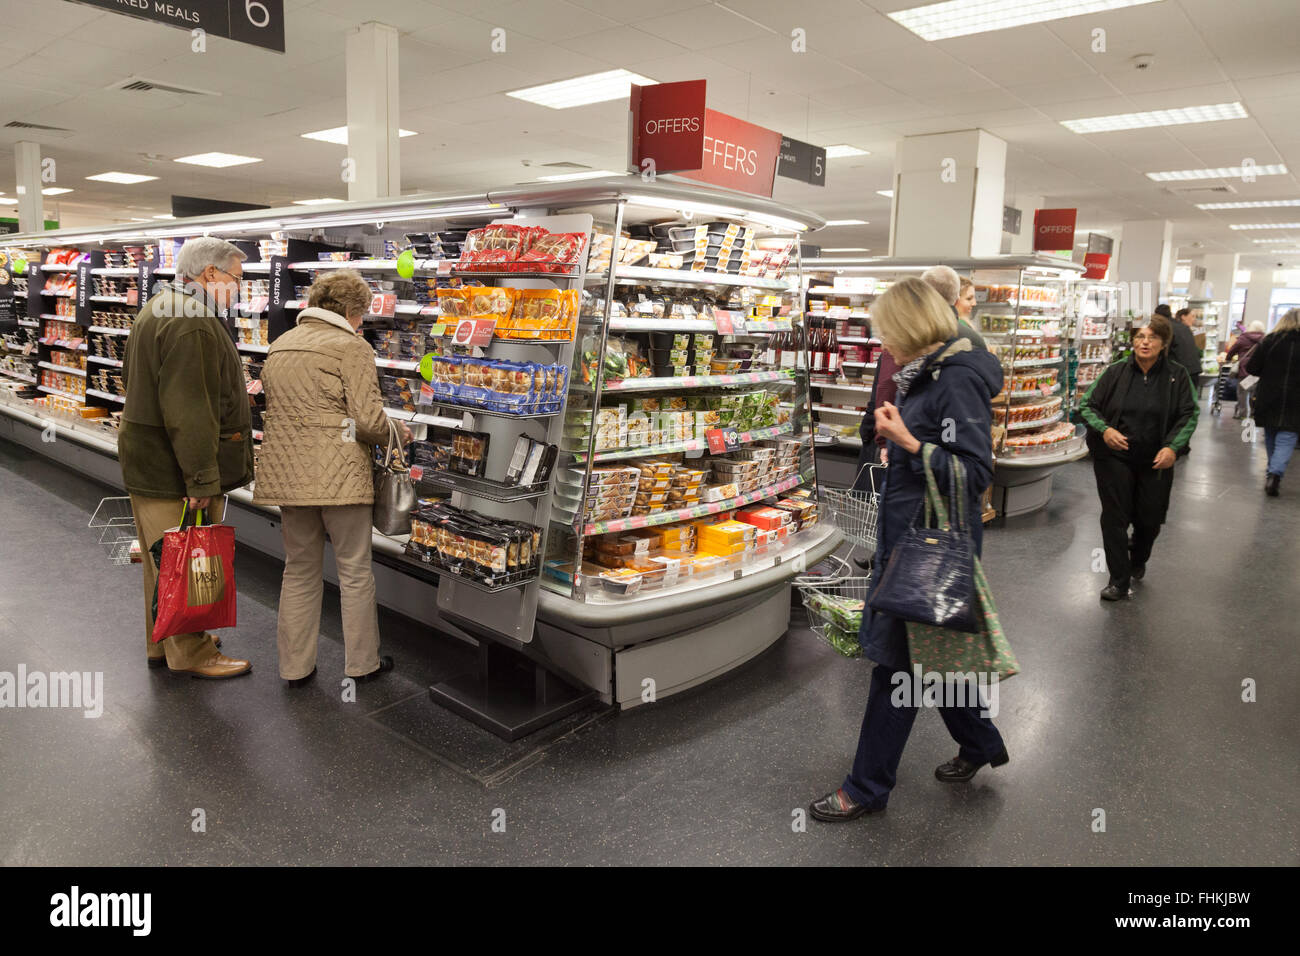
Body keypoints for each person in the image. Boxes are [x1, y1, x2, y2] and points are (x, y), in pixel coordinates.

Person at [810, 277, 1007, 822]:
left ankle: (866, 788)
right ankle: (981, 744)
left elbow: (974, 473)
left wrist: (910, 444)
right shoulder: (926, 371)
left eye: (886, 333)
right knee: (934, 662)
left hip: (930, 548)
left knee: (896, 668)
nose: (882, 346)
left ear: (911, 328)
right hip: (909, 539)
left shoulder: (957, 379)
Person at [253, 270, 409, 686]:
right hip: (340, 477)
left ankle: (295, 667)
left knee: (299, 569)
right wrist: (398, 431)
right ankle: (362, 664)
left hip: (290, 474)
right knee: (355, 571)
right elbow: (368, 421)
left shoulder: (280, 345)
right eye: (363, 314)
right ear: (352, 310)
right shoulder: (349, 348)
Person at [119, 237, 254, 678]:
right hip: (174, 468)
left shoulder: (160, 305)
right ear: (210, 274)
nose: (239, 288)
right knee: (186, 559)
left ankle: (162, 644)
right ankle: (194, 654)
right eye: (236, 278)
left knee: (162, 561)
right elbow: (190, 408)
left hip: (148, 460)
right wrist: (200, 478)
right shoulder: (192, 321)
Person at [1080, 314, 1197, 601]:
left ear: (1163, 342)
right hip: (1115, 456)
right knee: (1114, 517)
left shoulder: (1177, 375)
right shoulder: (1116, 371)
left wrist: (1172, 447)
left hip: (1156, 458)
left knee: (1150, 519)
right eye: (1140, 337)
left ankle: (1138, 558)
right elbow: (1087, 405)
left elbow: (1189, 413)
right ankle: (1118, 581)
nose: (1145, 343)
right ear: (1133, 341)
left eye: (1152, 337)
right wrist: (1105, 430)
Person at [1241, 308, 1300, 497]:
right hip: (1296, 399)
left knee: (1271, 434)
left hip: (1269, 395)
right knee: (1288, 437)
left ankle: (1272, 473)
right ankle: (1274, 473)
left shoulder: (1270, 341)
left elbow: (1252, 367)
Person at [1224, 320, 1265, 418]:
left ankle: (1242, 414)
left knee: (1242, 393)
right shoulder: (1265, 339)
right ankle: (1253, 414)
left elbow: (1232, 350)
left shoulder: (1243, 338)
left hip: (1244, 370)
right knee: (1254, 394)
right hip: (1258, 371)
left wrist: (1228, 359)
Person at [1166, 305, 1202, 389]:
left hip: (1184, 372)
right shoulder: (1185, 330)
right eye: (1192, 316)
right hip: (1192, 370)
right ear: (1183, 317)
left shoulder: (1177, 329)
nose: (1194, 319)